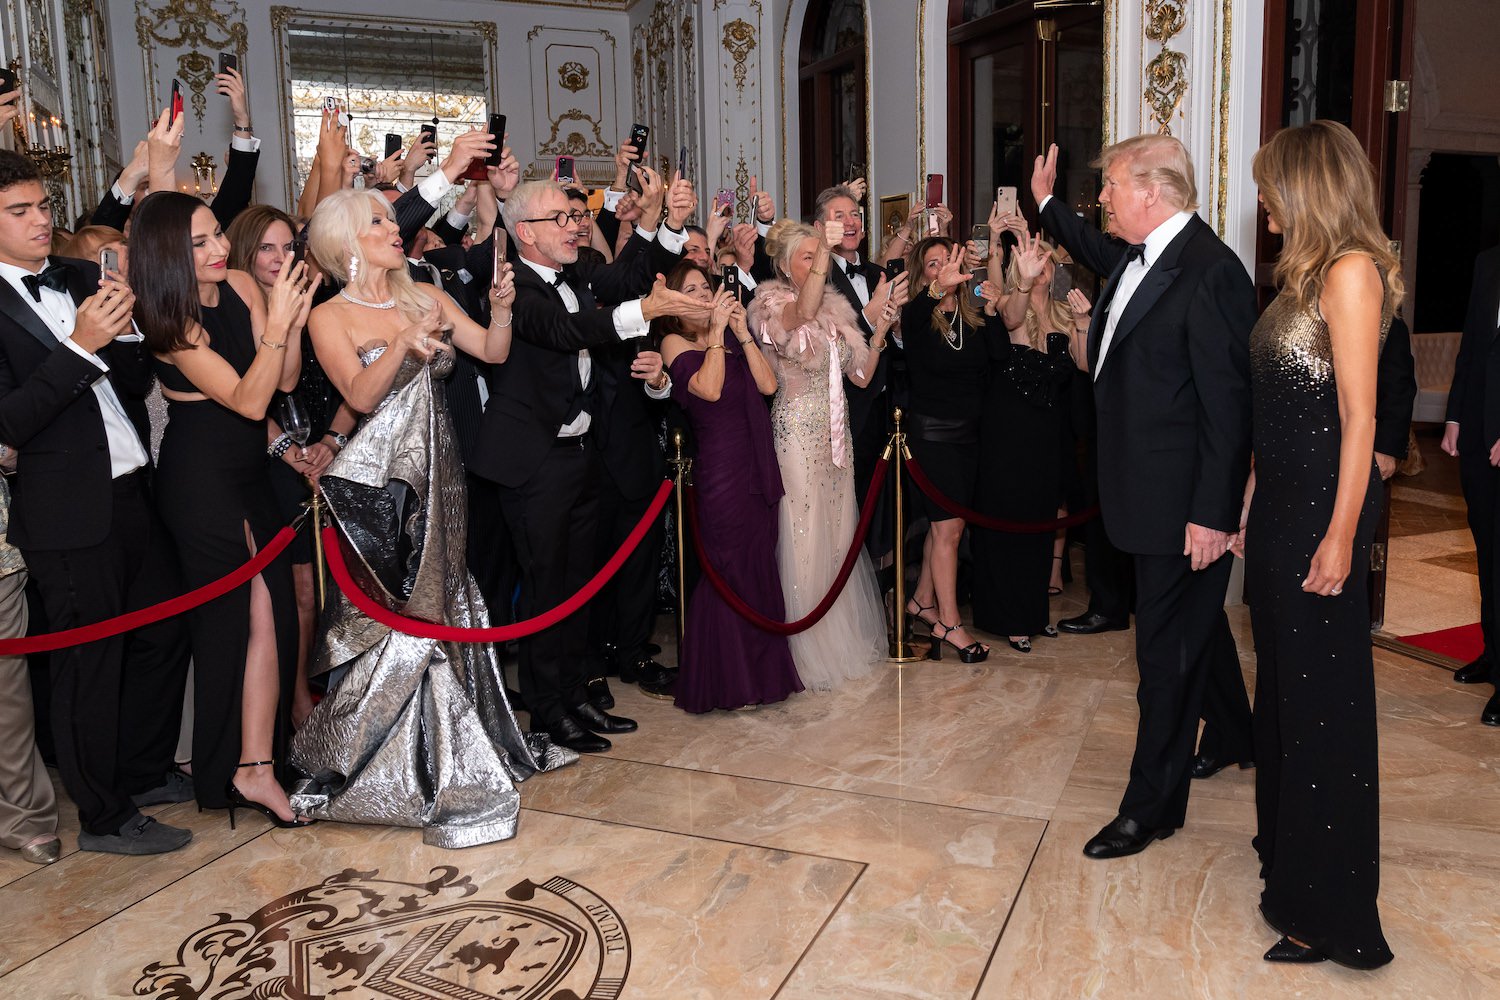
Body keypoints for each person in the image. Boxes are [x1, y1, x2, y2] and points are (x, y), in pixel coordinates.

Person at [288, 188, 574, 847]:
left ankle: (454, 740)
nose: (394, 229)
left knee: (442, 596)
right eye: (379, 222)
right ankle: (385, 755)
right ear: (345, 244)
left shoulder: (426, 294)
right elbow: (358, 395)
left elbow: (493, 353)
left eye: (391, 219)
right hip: (381, 482)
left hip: (443, 471)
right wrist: (402, 345)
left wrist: (500, 312)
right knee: (393, 608)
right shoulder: (329, 316)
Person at [1030, 135, 1255, 860]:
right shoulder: (1137, 253)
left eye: (1112, 186)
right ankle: (1235, 731)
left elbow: (1229, 407)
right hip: (1141, 495)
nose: (1104, 199)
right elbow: (1092, 244)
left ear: (1151, 192)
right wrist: (1044, 204)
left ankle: (1149, 809)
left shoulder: (1211, 272)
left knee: (1162, 659)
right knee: (1191, 634)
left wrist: (1214, 515)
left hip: (1180, 506)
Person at [1236, 119, 1400, 969]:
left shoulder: (1350, 273)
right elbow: (1281, 415)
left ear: (1307, 186)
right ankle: (1290, 873)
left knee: (1325, 711)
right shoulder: (1296, 279)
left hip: (1321, 520)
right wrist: (1251, 502)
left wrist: (1341, 538)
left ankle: (1332, 913)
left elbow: (1361, 420)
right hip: (1280, 515)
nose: (1262, 200)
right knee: (1286, 707)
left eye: (1271, 185)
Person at [0, 150, 193, 854]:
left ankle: (142, 770)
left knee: (164, 635)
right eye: (19, 212)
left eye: (42, 206)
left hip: (132, 487)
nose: (40, 221)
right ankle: (104, 816)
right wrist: (81, 346)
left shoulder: (79, 275)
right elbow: (10, 423)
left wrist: (129, 336)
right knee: (91, 663)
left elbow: (138, 361)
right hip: (65, 510)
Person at [469, 179, 703, 754]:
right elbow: (566, 331)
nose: (576, 225)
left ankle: (576, 694)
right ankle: (548, 710)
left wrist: (662, 224)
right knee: (547, 589)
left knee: (578, 586)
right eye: (561, 219)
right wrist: (643, 311)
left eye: (576, 218)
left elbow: (624, 278)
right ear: (525, 232)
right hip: (533, 463)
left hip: (580, 454)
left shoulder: (574, 272)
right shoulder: (512, 286)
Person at [133, 191, 314, 828]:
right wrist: (275, 328)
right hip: (201, 482)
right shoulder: (169, 324)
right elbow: (246, 400)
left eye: (216, 236)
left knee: (275, 621)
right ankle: (234, 769)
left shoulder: (238, 282)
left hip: (249, 473)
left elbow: (285, 381)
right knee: (236, 625)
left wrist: (287, 323)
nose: (218, 251)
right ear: (167, 256)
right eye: (201, 243)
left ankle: (257, 764)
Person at [226, 204, 356, 728]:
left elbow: (356, 380)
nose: (281, 259)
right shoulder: (235, 308)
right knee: (292, 592)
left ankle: (312, 692)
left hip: (329, 449)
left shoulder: (318, 299)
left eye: (288, 247)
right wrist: (287, 451)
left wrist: (332, 440)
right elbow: (245, 396)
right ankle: (293, 703)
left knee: (326, 589)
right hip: (265, 461)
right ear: (244, 254)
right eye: (267, 249)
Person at [750, 219, 891, 689]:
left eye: (819, 256)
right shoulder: (769, 304)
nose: (817, 264)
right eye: (807, 257)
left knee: (837, 531)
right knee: (803, 534)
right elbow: (799, 317)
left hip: (837, 439)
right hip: (796, 432)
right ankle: (801, 645)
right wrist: (823, 259)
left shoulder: (835, 309)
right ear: (784, 265)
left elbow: (862, 378)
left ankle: (837, 635)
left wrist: (883, 328)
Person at [659, 263, 800, 710]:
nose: (703, 295)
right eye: (692, 290)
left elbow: (769, 384)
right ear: (676, 304)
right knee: (729, 570)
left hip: (757, 462)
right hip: (721, 470)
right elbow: (710, 390)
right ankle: (728, 681)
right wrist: (717, 334)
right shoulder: (673, 342)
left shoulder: (732, 339)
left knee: (759, 565)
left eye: (707, 287)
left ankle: (764, 677)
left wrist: (741, 332)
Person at [969, 231, 1079, 651]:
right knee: (1006, 522)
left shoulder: (1066, 314)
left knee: (1038, 523)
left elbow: (1083, 367)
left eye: (1047, 265)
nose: (1042, 269)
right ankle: (1007, 616)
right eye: (1035, 264)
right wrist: (1018, 279)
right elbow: (1012, 320)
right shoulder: (1006, 304)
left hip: (1047, 437)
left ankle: (1033, 613)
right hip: (1006, 434)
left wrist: (1083, 323)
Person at [898, 237, 991, 662]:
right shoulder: (916, 317)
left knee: (948, 529)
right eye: (932, 265)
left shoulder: (972, 318)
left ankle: (920, 601)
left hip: (970, 437)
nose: (942, 269)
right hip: (932, 436)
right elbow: (916, 312)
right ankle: (951, 625)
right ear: (922, 275)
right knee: (948, 531)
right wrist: (938, 290)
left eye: (948, 261)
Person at [1442, 242, 1500, 725]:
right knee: (1488, 546)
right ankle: (1493, 652)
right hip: (1479, 429)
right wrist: (1456, 415)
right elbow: (1473, 343)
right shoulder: (1488, 260)